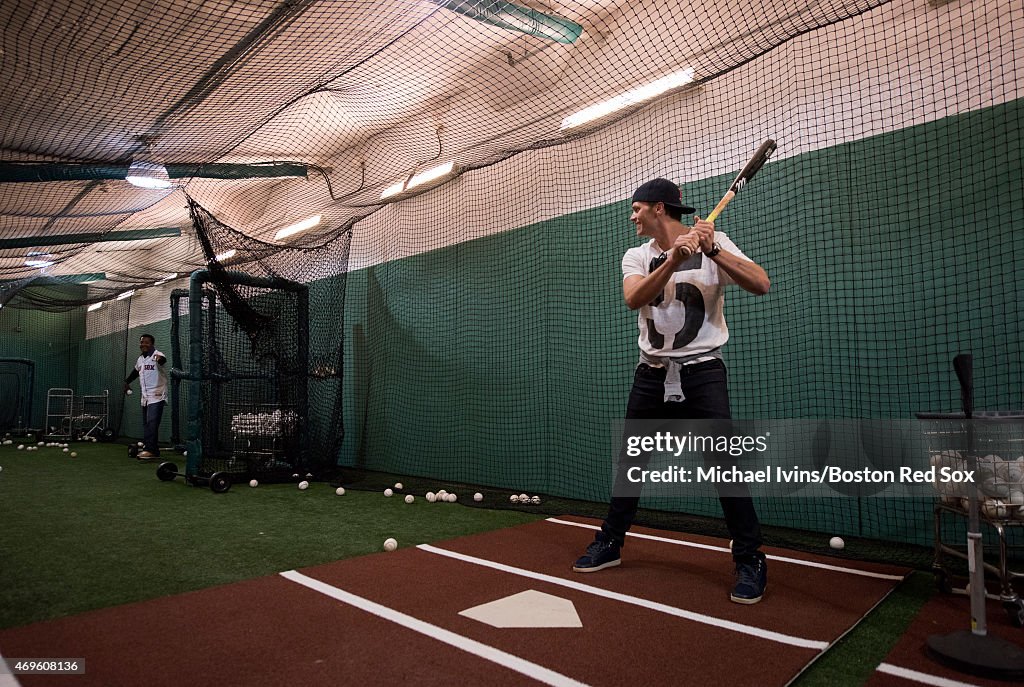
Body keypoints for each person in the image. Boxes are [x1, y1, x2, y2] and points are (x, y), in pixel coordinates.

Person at [572, 178, 772, 604]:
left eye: (638, 209)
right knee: (632, 462)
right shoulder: (637, 255)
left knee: (725, 467)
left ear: (659, 209)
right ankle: (610, 542)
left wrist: (713, 250)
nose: (633, 216)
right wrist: (670, 260)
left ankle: (751, 559)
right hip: (651, 374)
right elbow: (633, 298)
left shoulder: (714, 243)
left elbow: (761, 283)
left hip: (703, 372)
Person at [123, 334, 168, 459]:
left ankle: (150, 450)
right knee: (147, 424)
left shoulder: (157, 355)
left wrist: (159, 359)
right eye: (142, 342)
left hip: (157, 395)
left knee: (152, 423)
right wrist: (126, 382)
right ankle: (153, 449)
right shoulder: (140, 359)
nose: (143, 344)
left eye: (147, 342)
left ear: (152, 344)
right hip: (146, 397)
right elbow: (136, 371)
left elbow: (162, 360)